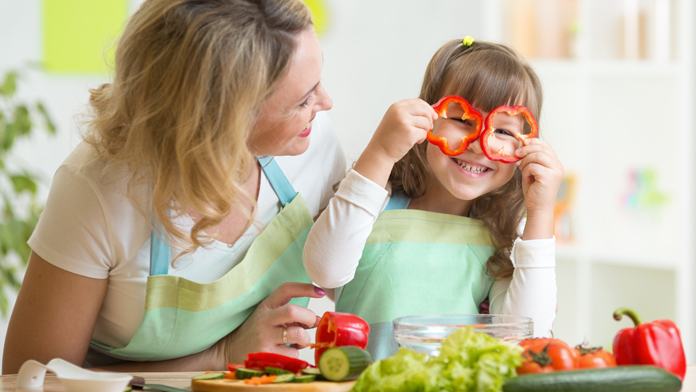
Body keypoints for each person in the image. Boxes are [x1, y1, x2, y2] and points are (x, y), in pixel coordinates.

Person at [3, 0, 346, 374]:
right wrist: (222, 355)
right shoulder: (98, 190)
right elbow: (31, 377)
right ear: (222, 121)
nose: (326, 103)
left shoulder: (312, 144)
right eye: (303, 100)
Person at [303, 38, 562, 360]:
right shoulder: (375, 203)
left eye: (504, 132)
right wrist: (381, 152)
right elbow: (324, 271)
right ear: (428, 118)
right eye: (463, 120)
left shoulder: (502, 236)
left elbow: (529, 337)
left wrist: (540, 213)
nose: (480, 144)